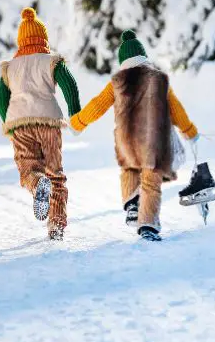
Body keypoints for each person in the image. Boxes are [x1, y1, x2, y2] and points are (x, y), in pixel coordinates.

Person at [70, 30, 199, 241]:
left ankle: (132, 204)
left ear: (123, 62)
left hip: (127, 140)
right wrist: (190, 131)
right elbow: (176, 110)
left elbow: (96, 106)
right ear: (144, 57)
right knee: (150, 181)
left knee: (129, 169)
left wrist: (78, 122)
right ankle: (147, 224)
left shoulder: (117, 82)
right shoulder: (158, 78)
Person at [0, 8, 82, 240]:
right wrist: (75, 113)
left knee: (27, 169)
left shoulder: (9, 68)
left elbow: (1, 102)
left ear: (20, 41)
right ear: (43, 37)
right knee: (56, 174)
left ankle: (36, 184)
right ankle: (56, 227)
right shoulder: (52, 61)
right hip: (49, 122)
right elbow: (70, 86)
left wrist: (9, 124)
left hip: (20, 124)